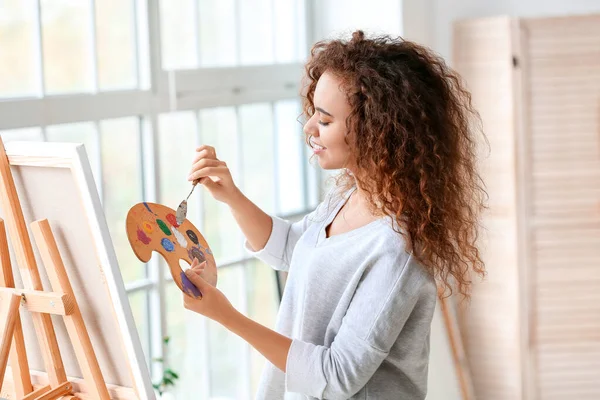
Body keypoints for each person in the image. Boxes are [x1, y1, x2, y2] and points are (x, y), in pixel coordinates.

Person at [183, 30, 486, 400]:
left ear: (378, 131)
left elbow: (336, 377)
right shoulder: (349, 193)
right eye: (313, 112)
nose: (308, 127)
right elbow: (296, 250)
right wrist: (232, 196)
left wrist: (226, 315)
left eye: (325, 121)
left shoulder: (398, 251)